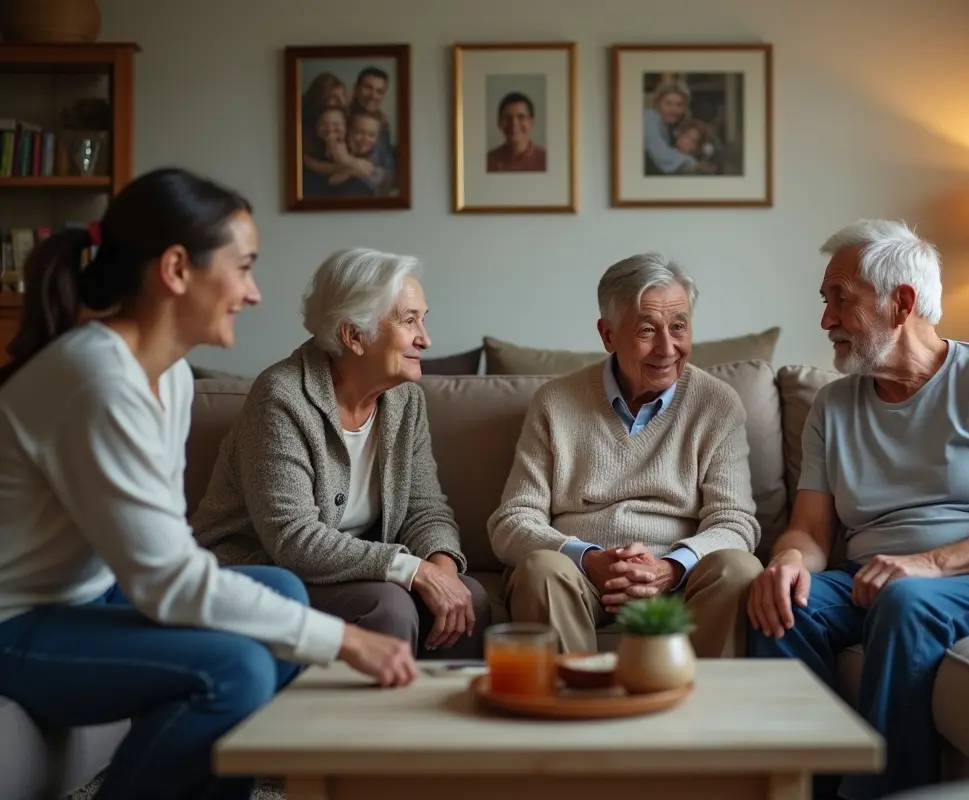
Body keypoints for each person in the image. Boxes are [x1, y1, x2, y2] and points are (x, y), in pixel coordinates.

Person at [0, 168, 415, 800]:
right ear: (175, 270)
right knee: (236, 664)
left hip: (89, 595)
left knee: (277, 591)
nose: (253, 293)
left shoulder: (167, 377)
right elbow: (165, 581)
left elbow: (166, 559)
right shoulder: (97, 378)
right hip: (18, 620)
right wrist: (346, 640)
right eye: (243, 267)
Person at [745, 219, 969, 800]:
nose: (826, 319)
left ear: (901, 302)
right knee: (780, 603)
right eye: (825, 301)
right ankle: (808, 789)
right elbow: (809, 531)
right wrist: (786, 563)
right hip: (876, 577)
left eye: (841, 299)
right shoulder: (833, 406)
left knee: (906, 598)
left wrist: (932, 563)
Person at [193, 248, 490, 659]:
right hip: (265, 571)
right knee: (387, 606)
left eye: (424, 318)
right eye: (409, 321)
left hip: (351, 569)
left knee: (469, 598)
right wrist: (414, 571)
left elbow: (425, 509)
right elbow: (293, 539)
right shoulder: (282, 397)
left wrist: (442, 570)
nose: (426, 338)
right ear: (354, 335)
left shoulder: (405, 401)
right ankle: (375, 724)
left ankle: (448, 722)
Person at [487, 253, 763, 657]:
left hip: (680, 581)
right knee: (541, 570)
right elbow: (512, 521)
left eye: (679, 327)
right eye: (647, 329)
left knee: (740, 569)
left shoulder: (717, 405)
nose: (667, 348)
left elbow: (736, 522)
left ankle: (705, 712)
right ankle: (573, 706)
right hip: (580, 577)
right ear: (608, 334)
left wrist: (669, 568)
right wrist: (588, 559)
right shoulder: (555, 402)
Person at [486, 92, 547, 172]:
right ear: (499, 122)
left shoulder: (545, 160)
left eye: (521, 117)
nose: (514, 124)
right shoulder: (488, 161)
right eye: (507, 117)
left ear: (531, 123)